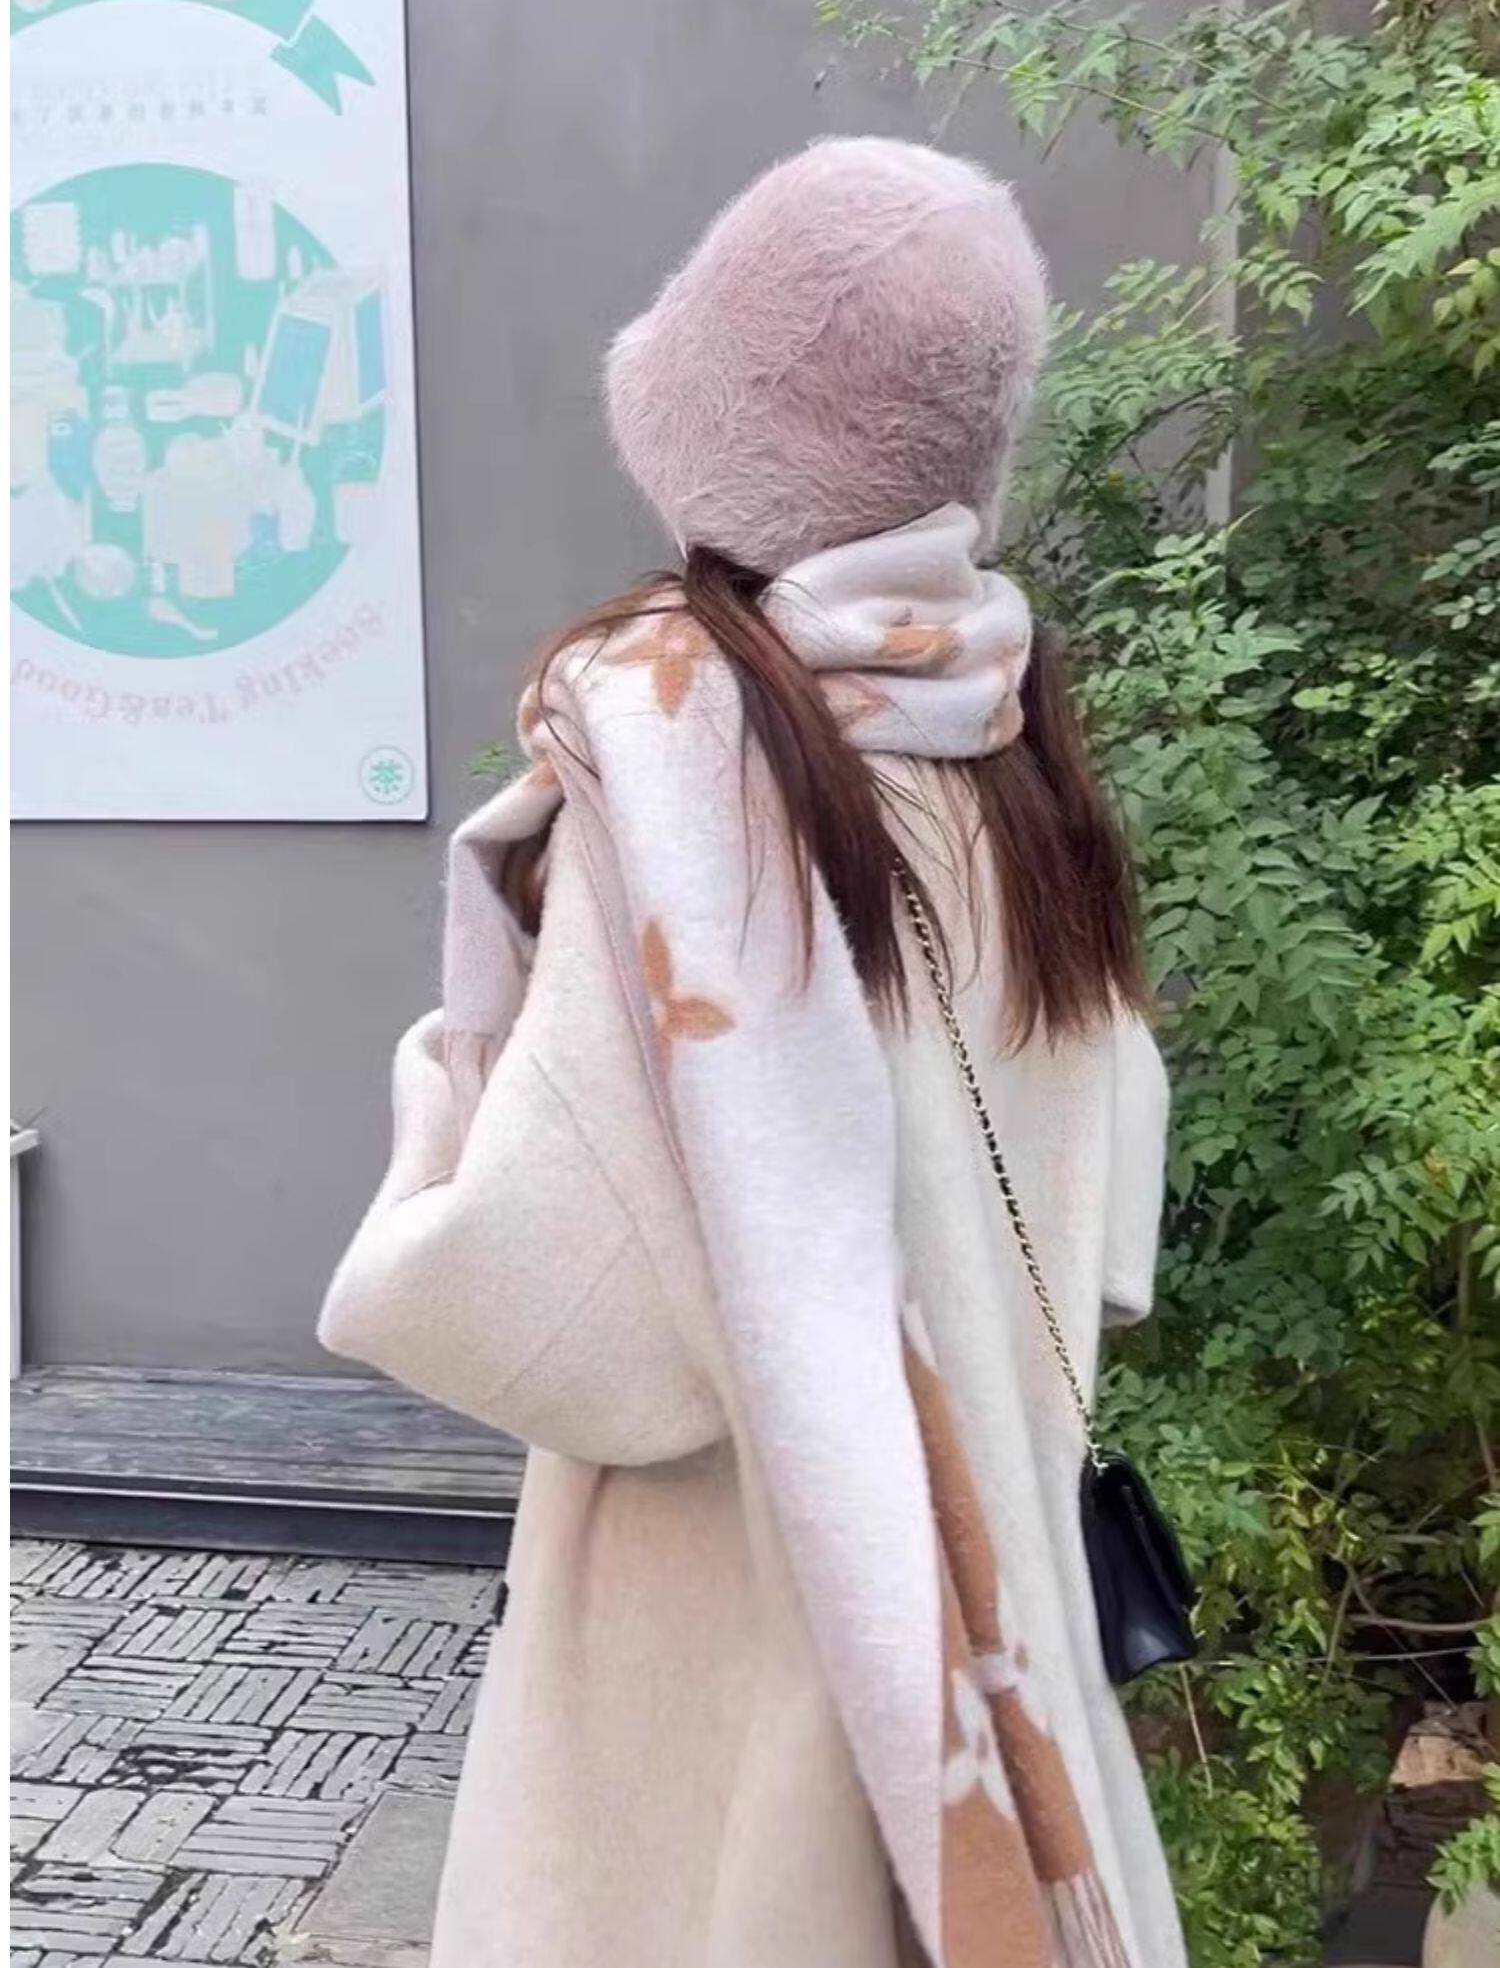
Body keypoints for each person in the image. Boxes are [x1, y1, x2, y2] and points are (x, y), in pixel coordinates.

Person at [319, 137, 1187, 1968]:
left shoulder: (686, 786)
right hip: (990, 1620)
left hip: (738, 1660)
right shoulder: (1018, 755)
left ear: (713, 429)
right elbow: (1107, 1243)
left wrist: (439, 1102)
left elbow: (572, 1330)